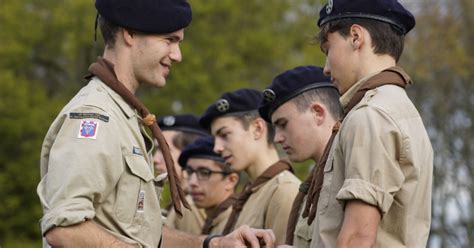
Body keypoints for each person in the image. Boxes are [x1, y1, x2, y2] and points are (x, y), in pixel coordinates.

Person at [36, 0, 275, 247]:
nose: (177, 55)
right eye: (169, 40)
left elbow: (143, 235)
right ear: (129, 33)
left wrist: (212, 244)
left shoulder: (124, 116)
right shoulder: (95, 115)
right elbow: (64, 227)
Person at [308, 0, 434, 247]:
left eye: (328, 49)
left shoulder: (370, 115)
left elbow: (357, 236)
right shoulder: (400, 110)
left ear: (355, 37)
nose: (325, 68)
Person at [199, 88, 301, 245]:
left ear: (257, 129)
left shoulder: (284, 191)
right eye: (215, 138)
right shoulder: (251, 193)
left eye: (225, 135)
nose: (217, 148)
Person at [258, 65, 342, 247]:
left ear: (317, 113)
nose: (278, 138)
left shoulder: (349, 171)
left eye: (283, 124)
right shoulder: (313, 184)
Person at [154, 114, 208, 235]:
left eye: (163, 150)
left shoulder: (190, 207)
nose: (155, 159)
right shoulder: (181, 202)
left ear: (188, 153)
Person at [178, 136, 239, 235]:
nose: (192, 182)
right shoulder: (215, 219)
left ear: (231, 181)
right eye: (189, 172)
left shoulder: (237, 224)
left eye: (204, 173)